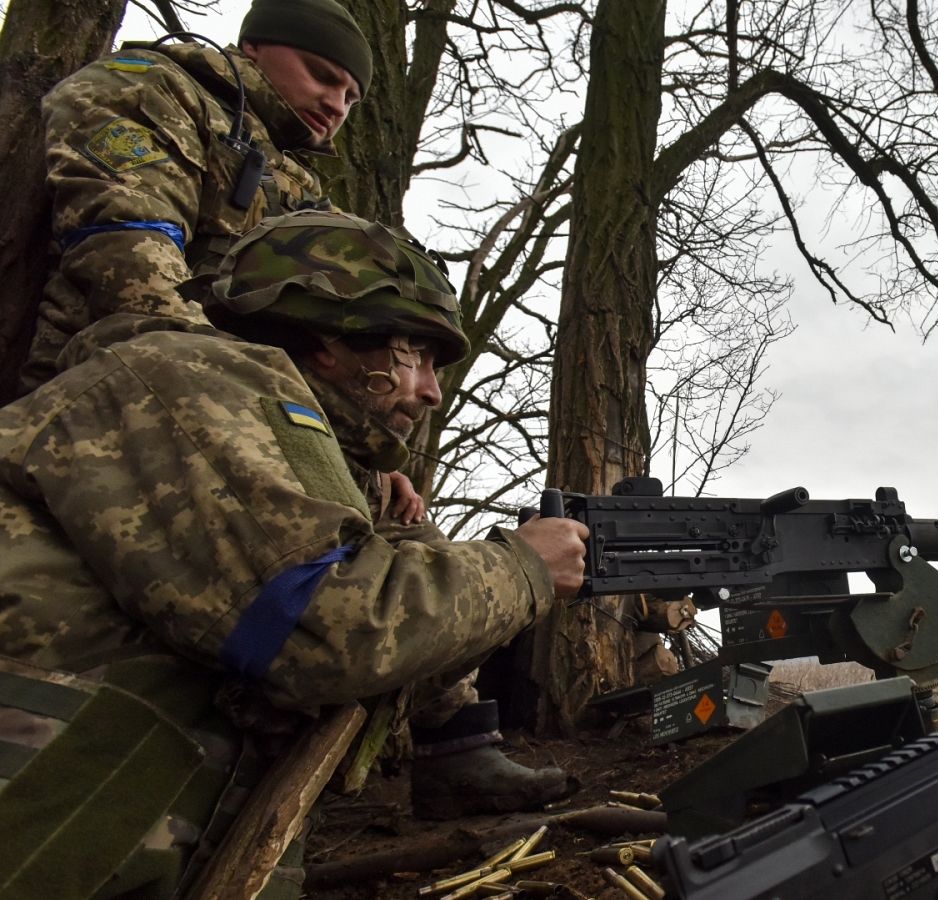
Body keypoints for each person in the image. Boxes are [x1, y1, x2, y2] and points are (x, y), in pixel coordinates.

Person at [0, 210, 588, 897]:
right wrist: (518, 568)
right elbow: (322, 629)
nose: (430, 390)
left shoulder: (309, 452)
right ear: (331, 336)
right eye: (416, 355)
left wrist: (442, 565)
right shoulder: (188, 379)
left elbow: (388, 666)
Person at [20, 0, 367, 394]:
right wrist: (246, 388)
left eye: (351, 99)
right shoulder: (151, 88)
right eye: (322, 76)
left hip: (225, 402)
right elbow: (128, 257)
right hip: (97, 394)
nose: (336, 106)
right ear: (254, 45)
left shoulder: (301, 189)